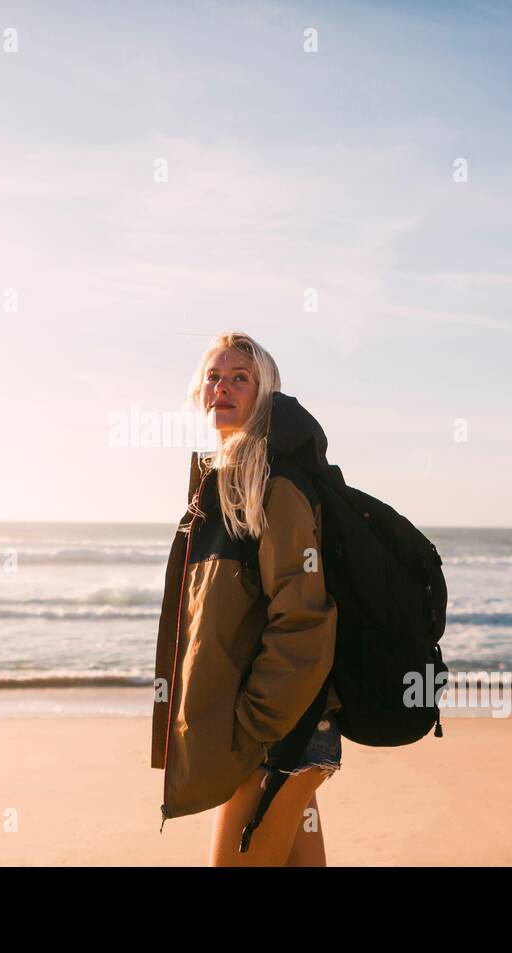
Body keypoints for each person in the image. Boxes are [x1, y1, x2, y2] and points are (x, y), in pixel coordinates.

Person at [150, 330, 342, 866]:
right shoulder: (222, 484)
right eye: (214, 376)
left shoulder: (271, 486)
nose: (223, 388)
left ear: (265, 394)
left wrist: (254, 730)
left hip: (278, 739)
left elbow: (303, 615)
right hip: (288, 732)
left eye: (241, 378)